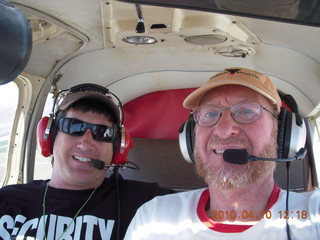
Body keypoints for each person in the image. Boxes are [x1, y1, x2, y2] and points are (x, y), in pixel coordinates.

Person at [124, 67, 320, 240]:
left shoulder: (313, 216)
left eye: (246, 111)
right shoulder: (153, 218)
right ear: (191, 137)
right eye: (209, 114)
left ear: (282, 135)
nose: (224, 129)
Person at [0, 83, 173, 240]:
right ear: (49, 136)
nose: (86, 143)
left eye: (102, 133)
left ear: (117, 148)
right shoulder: (7, 201)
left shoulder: (146, 202)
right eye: (74, 127)